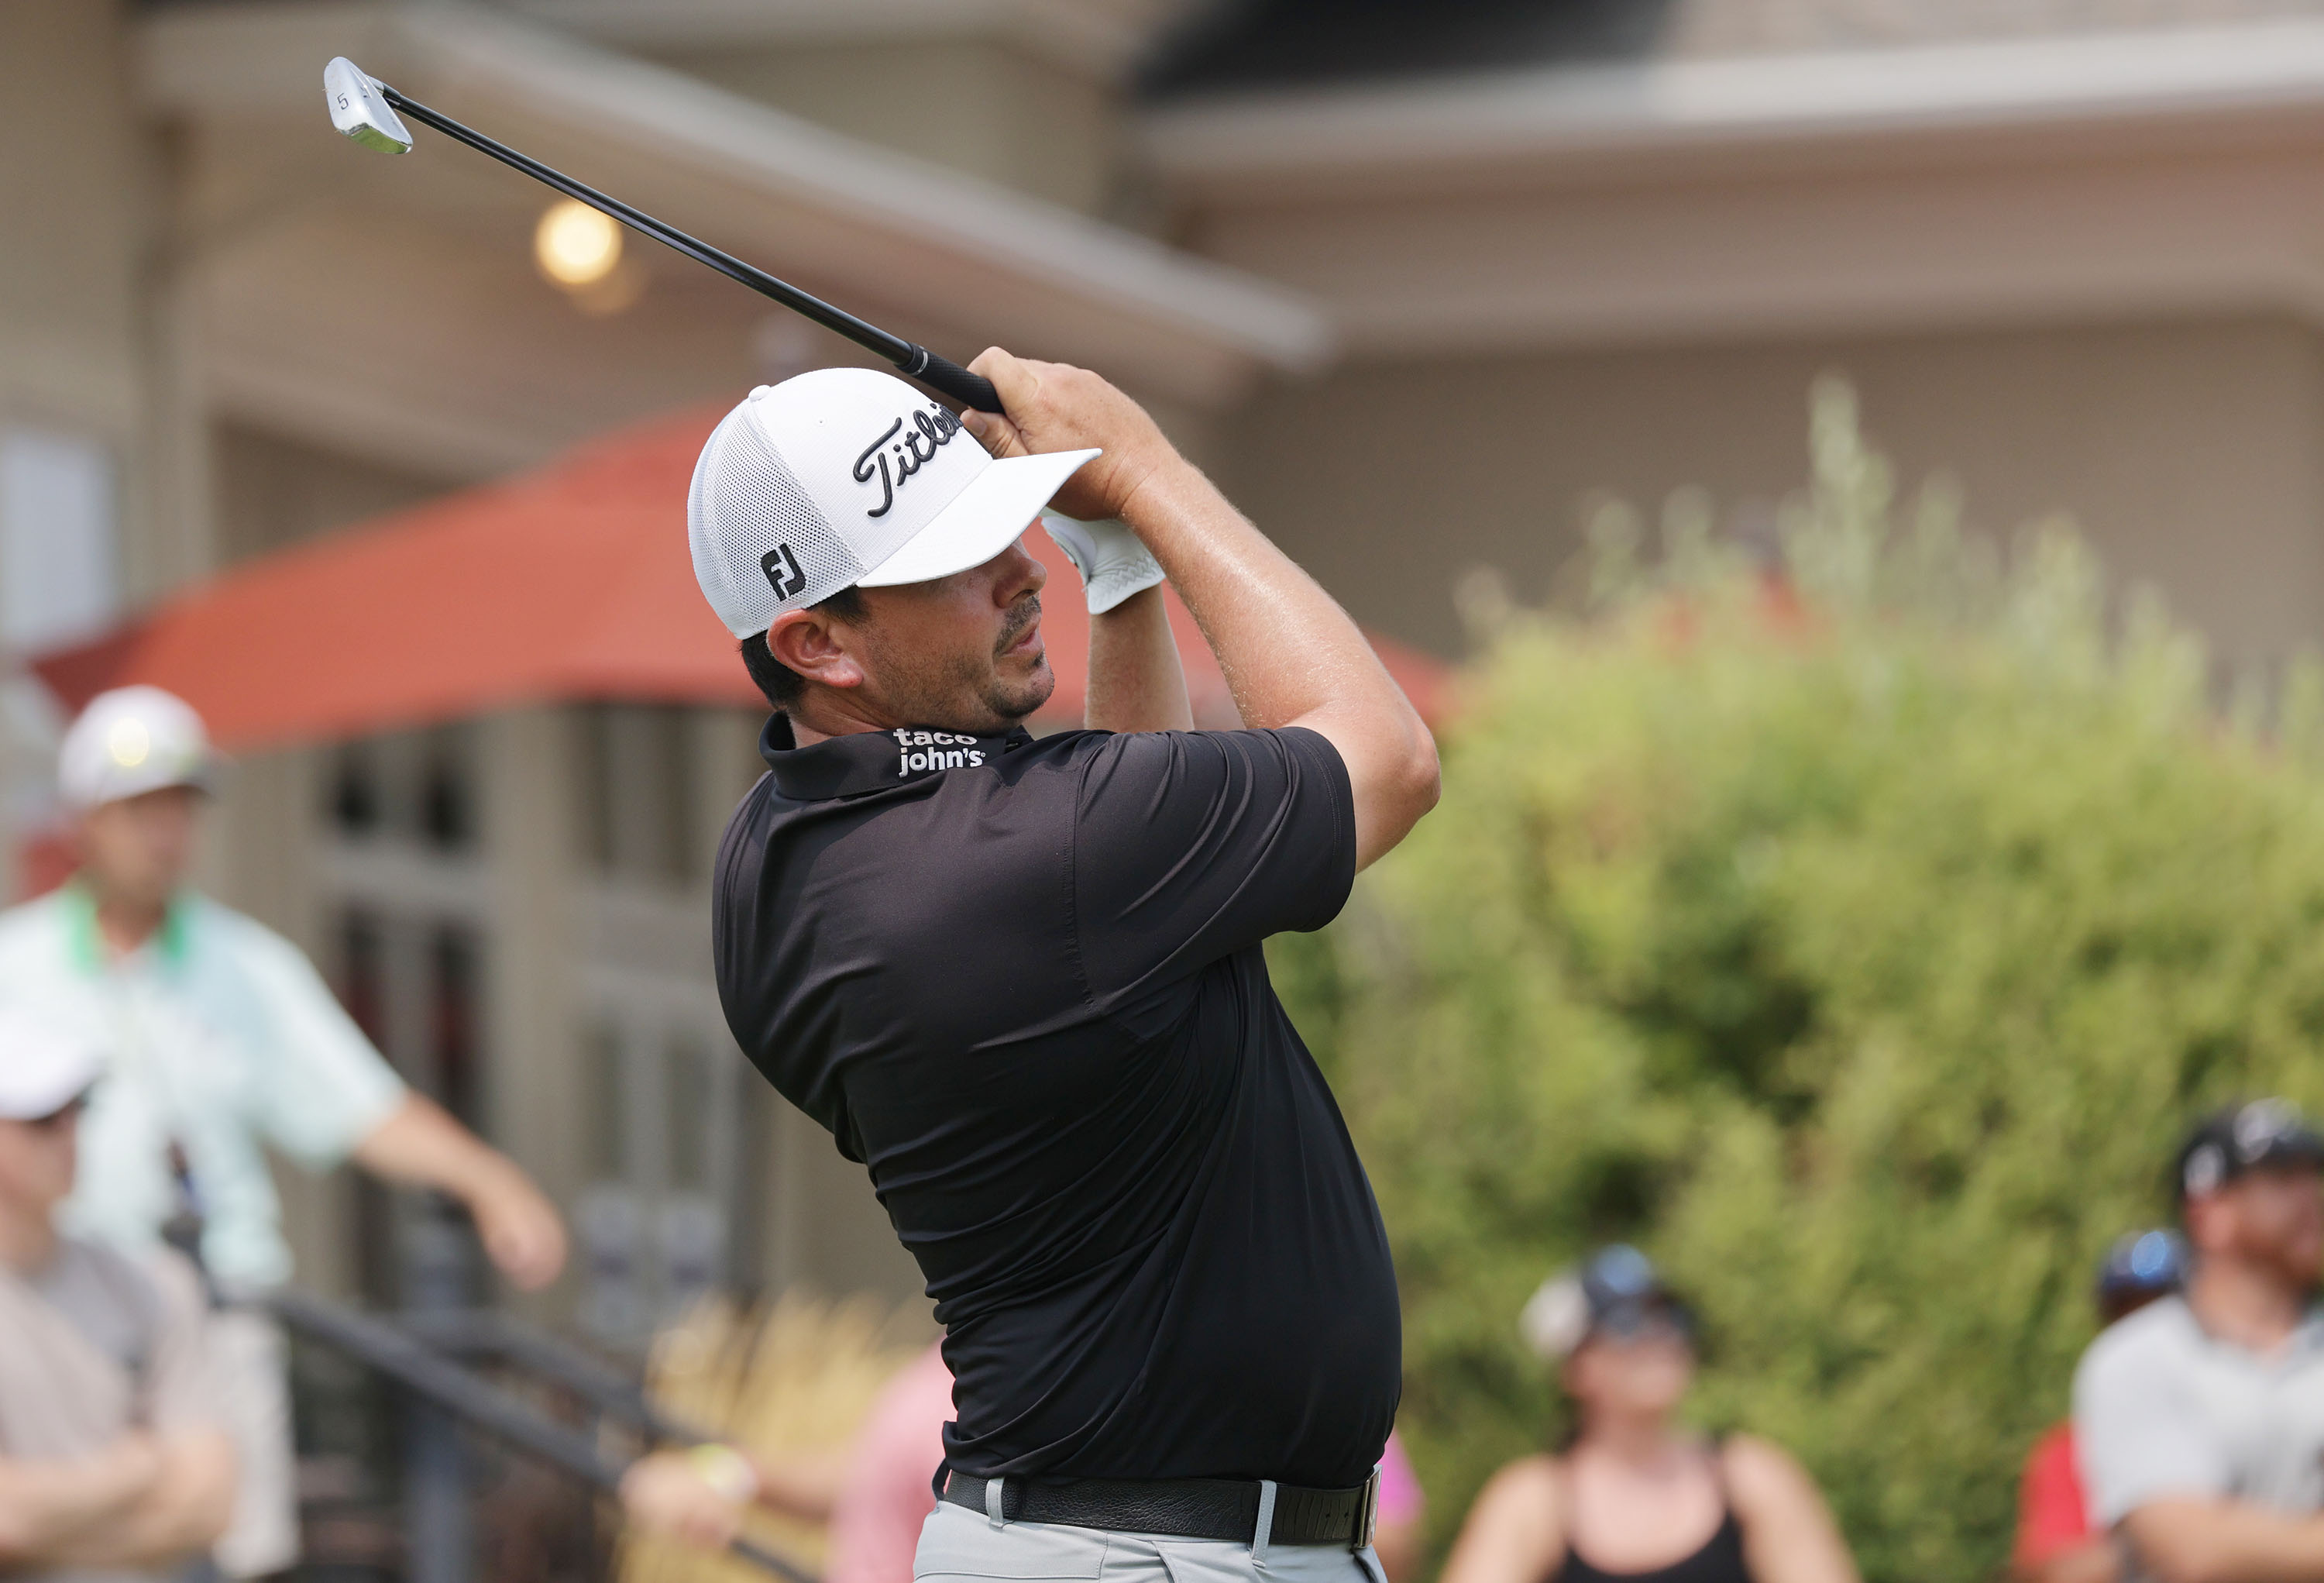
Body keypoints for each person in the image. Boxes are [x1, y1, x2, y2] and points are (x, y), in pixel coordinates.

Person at [692, 353, 1439, 1583]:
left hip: (1089, 1541)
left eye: (1005, 522)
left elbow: (1144, 901)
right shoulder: (1025, 855)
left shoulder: (775, 869)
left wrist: (1121, 574)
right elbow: (1388, 759)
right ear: (817, 640)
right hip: (1147, 1556)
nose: (1020, 570)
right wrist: (1151, 473)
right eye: (957, 560)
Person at [0, 685, 569, 1576]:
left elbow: (361, 1107)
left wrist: (490, 1182)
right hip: (45, 1313)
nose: (163, 831)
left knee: (225, 1548)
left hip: (220, 1315)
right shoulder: (14, 962)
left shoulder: (248, 966)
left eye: (179, 806)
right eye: (138, 806)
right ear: (83, 820)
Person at [626, 1339, 1430, 1583]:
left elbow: (1390, 1527)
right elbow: (870, 1478)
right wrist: (719, 1474)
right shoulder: (936, 1387)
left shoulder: (1259, 1374)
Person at [1439, 1246, 1858, 1583]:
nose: (1660, 1337)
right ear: (1577, 1367)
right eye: (1628, 1324)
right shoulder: (1531, 1501)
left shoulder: (1753, 1479)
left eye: (1672, 1318)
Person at [0, 1007, 236, 1582]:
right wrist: (131, 1473)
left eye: (78, 1110)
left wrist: (45, 1526)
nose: (69, 1136)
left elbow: (210, 1502)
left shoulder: (152, 1283)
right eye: (40, 1119)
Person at [2074, 1099, 2324, 1583]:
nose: (2310, 1196)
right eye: (2280, 1179)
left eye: (2313, 1175)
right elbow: (2191, 1550)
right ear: (2210, 1210)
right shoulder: (2138, 1358)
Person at [2013, 1230, 2188, 1583]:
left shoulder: (2255, 1424)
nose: (2144, 1339)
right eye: (2128, 1316)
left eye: (2164, 1315)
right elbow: (2058, 1572)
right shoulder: (2071, 1451)